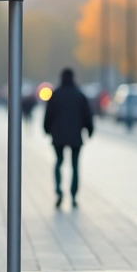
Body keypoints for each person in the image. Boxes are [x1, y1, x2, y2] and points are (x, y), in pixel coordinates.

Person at [43, 68, 94, 208]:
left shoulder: (56, 95)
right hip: (75, 136)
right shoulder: (79, 95)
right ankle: (73, 195)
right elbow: (87, 115)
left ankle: (59, 191)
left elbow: (48, 114)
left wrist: (46, 129)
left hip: (58, 135)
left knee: (58, 162)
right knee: (75, 166)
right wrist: (89, 130)